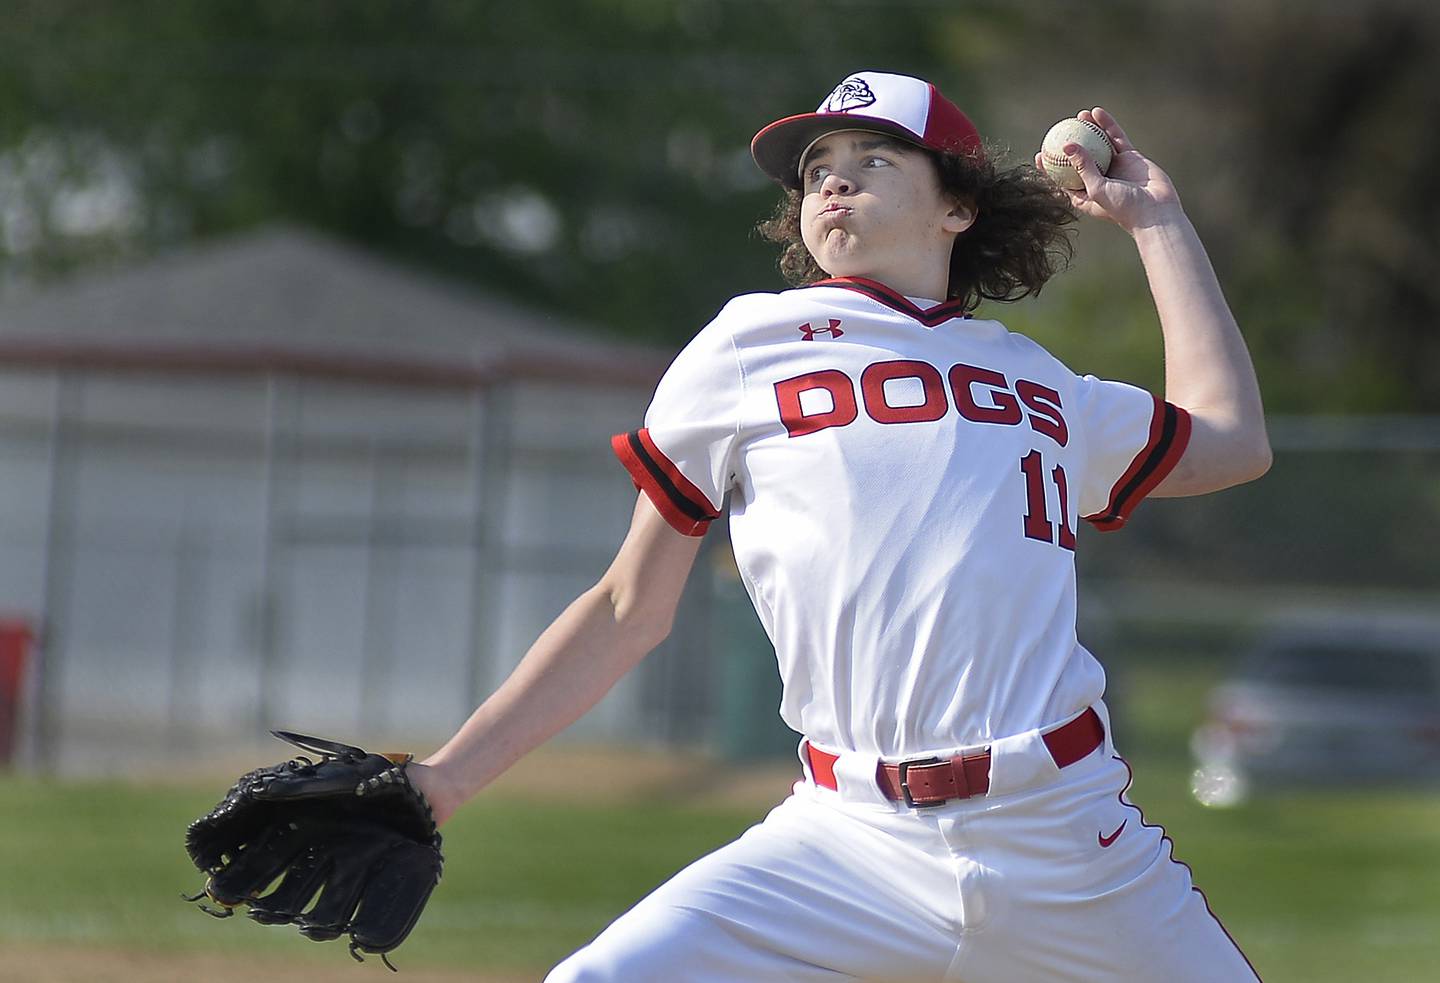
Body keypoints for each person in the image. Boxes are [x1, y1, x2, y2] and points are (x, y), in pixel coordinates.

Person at [409, 70, 1270, 982]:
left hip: (1067, 832)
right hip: (847, 840)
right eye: (817, 166)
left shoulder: (1040, 380)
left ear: (959, 208)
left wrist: (1157, 222)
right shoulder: (748, 345)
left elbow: (1231, 439)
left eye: (874, 156)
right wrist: (445, 780)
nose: (832, 179)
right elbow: (630, 605)